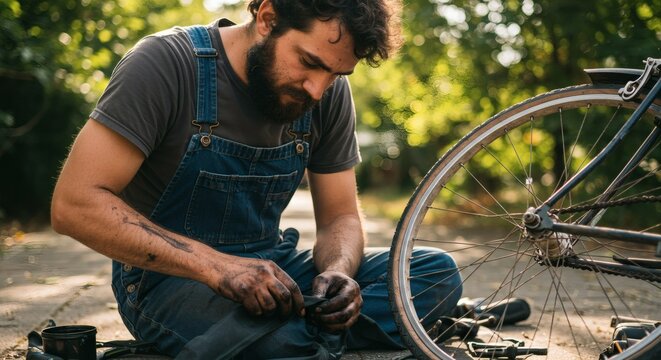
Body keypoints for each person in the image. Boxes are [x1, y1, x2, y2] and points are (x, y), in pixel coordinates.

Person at [51, 0, 462, 358]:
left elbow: (340, 218)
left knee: (435, 274)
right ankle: (304, 340)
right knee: (284, 343)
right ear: (267, 17)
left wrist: (339, 272)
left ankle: (295, 338)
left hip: (275, 272)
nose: (318, 90)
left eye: (337, 74)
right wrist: (217, 267)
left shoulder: (327, 94)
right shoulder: (165, 64)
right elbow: (74, 204)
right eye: (309, 62)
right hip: (168, 282)